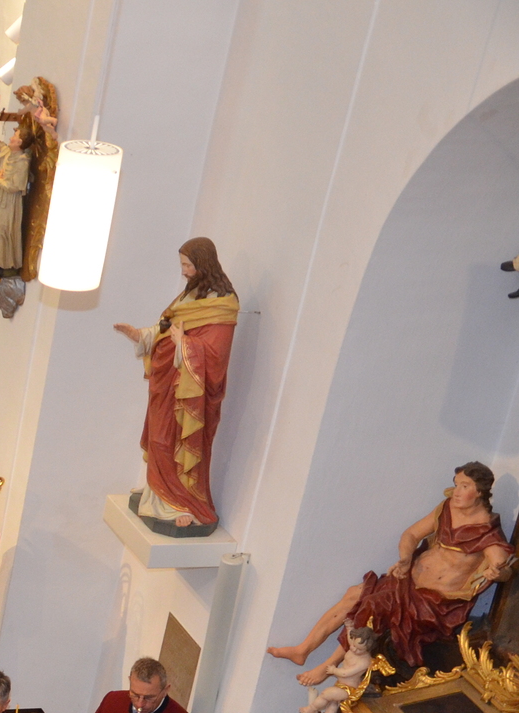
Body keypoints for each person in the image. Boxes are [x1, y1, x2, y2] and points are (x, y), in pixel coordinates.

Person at [269, 462, 514, 677]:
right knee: (355, 593)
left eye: (464, 486)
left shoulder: (488, 533)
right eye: (456, 484)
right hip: (407, 580)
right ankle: (303, 650)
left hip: (432, 603)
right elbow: (411, 535)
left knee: (374, 605)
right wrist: (405, 559)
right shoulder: (447, 509)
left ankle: (327, 667)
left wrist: (498, 573)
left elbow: (501, 568)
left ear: (480, 492)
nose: (456, 491)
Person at [111, 237, 238, 531]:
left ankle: (182, 504)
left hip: (189, 390)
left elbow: (216, 354)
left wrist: (184, 345)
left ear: (203, 264)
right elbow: (167, 326)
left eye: (188, 265)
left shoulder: (223, 303)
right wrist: (140, 335)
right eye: (183, 264)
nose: (184, 271)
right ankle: (157, 493)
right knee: (159, 436)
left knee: (175, 438)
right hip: (166, 380)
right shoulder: (190, 294)